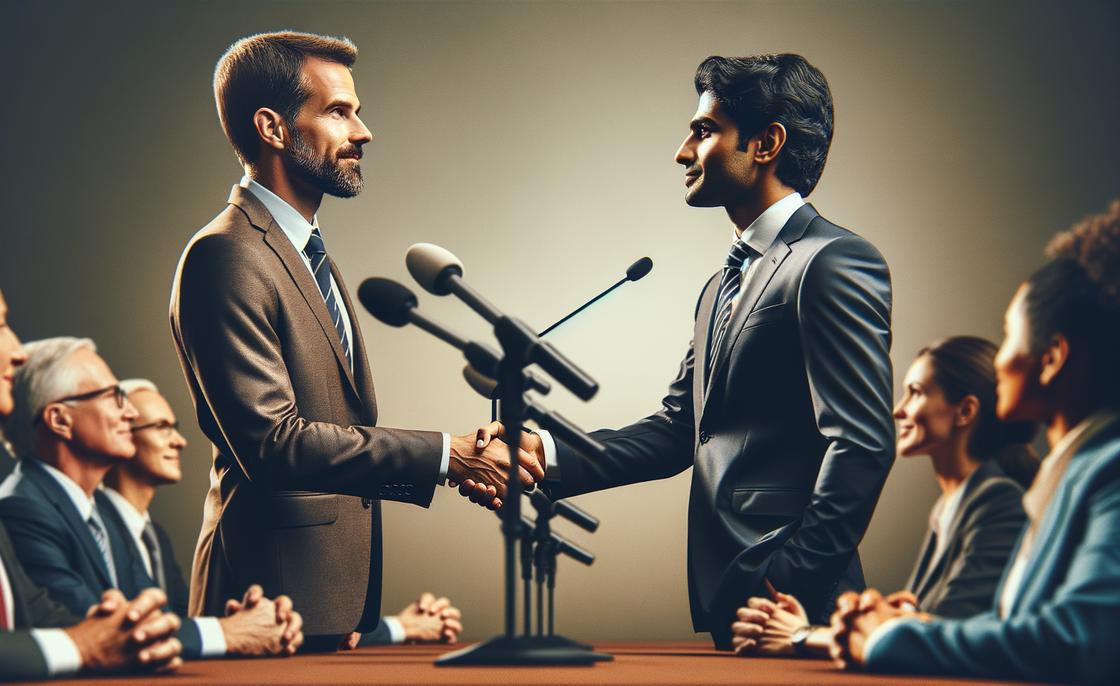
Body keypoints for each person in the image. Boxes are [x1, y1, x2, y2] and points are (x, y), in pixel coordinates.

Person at [477, 53, 894, 648]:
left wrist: (788, 587)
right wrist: (542, 453)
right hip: (732, 596)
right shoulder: (720, 285)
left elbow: (862, 442)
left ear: (766, 142)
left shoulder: (833, 262)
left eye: (703, 131)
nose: (682, 151)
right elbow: (680, 431)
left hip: (796, 612)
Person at [169, 31, 540, 650]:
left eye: (356, 111)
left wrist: (454, 465)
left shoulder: (304, 249)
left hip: (328, 604)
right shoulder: (226, 255)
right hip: (263, 604)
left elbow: (335, 425)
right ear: (273, 127)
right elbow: (273, 443)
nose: (362, 132)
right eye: (339, 111)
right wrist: (450, 456)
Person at [832, 199, 1120, 685]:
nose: (1001, 355)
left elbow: (1077, 642)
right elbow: (1017, 629)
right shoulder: (1072, 477)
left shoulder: (1107, 473)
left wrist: (886, 636)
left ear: (1051, 358)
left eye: (1009, 335)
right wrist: (912, 623)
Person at [0, 231, 181, 682]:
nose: (18, 351)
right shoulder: (9, 502)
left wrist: (127, 630)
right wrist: (81, 643)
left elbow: (35, 617)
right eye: (0, 325)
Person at [0, 337, 303, 660]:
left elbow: (158, 617)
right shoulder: (20, 511)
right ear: (59, 420)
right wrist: (228, 632)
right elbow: (101, 634)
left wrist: (247, 623)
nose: (130, 412)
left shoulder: (104, 517)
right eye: (113, 397)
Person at [100, 378, 462, 647]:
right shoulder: (97, 529)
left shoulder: (152, 538)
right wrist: (234, 631)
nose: (179, 440)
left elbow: (175, 627)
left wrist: (399, 627)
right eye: (161, 427)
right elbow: (116, 633)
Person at [732, 336, 1036, 657]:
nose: (898, 410)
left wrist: (804, 635)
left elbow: (941, 639)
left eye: (915, 393)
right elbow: (925, 625)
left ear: (964, 411)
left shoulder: (998, 502)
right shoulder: (951, 507)